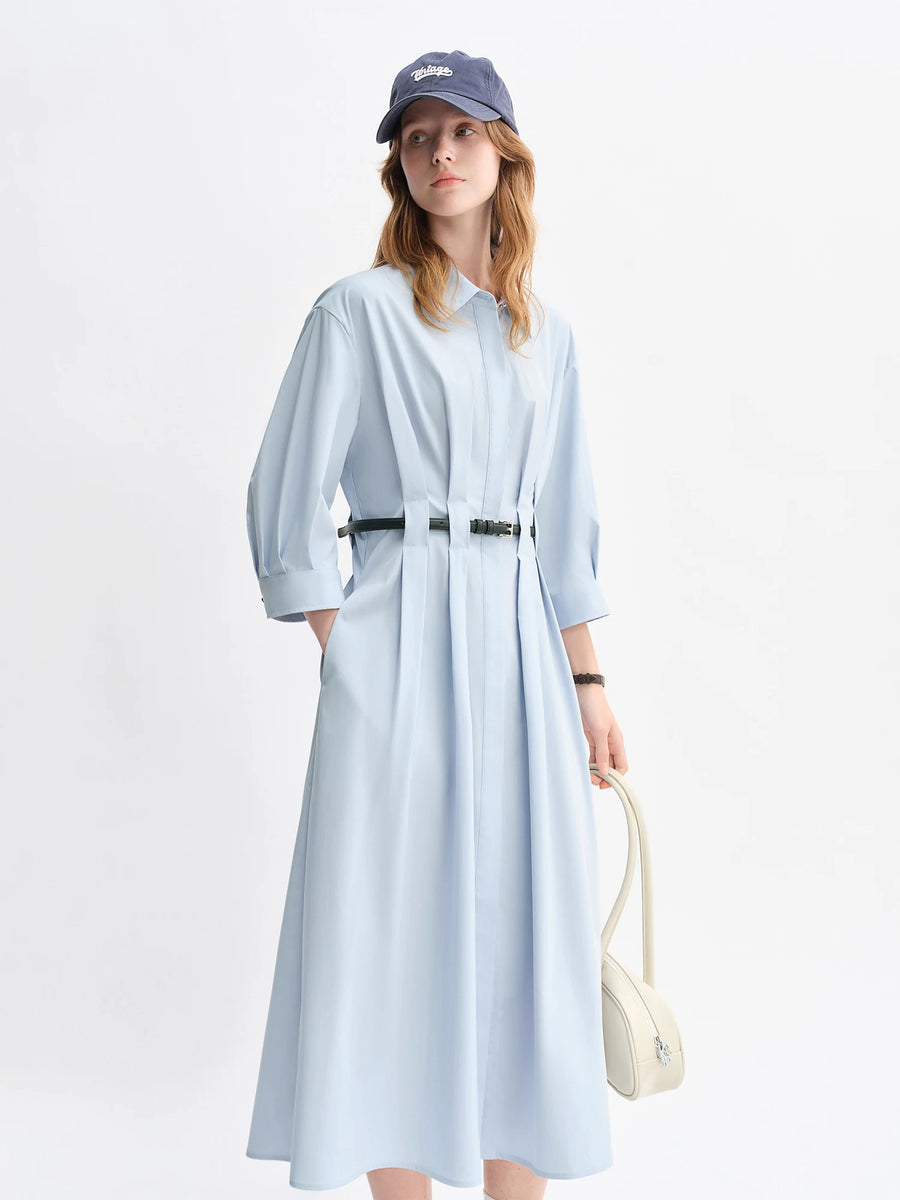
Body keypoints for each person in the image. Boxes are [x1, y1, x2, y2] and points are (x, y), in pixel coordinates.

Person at [244, 48, 629, 1200]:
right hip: (398, 641)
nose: (439, 155)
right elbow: (284, 505)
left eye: (460, 132)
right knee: (390, 941)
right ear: (398, 167)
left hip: (522, 657)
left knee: (523, 943)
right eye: (416, 138)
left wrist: (591, 687)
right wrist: (351, 649)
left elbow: (564, 529)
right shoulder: (354, 314)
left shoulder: (543, 335)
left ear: (502, 154)